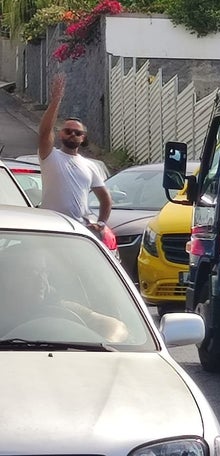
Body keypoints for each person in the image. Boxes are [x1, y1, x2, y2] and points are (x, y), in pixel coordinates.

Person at [0, 246, 128, 342]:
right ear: (9, 279)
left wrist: (105, 344)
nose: (42, 280)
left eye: (44, 272)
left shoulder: (64, 307)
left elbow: (116, 327)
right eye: (31, 272)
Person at [38, 73, 112, 231]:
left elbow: (105, 198)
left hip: (77, 230)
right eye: (68, 131)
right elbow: (44, 132)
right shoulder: (50, 156)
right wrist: (56, 101)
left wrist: (101, 223)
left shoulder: (91, 166)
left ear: (83, 138)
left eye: (77, 133)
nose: (72, 134)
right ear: (60, 133)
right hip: (49, 226)